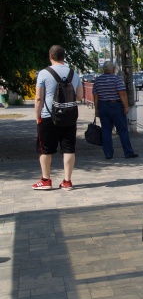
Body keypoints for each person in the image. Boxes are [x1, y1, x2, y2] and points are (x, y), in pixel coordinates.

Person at [33, 45, 83, 190]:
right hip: (69, 115)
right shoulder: (73, 73)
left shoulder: (43, 73)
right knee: (68, 148)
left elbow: (38, 98)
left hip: (48, 116)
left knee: (46, 149)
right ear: (64, 57)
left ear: (50, 56)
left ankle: (46, 180)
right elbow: (79, 96)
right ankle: (67, 181)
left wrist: (37, 116)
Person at [92, 61, 138, 159]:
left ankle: (108, 154)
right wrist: (126, 106)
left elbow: (95, 96)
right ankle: (128, 152)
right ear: (113, 69)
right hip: (116, 106)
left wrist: (96, 109)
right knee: (122, 130)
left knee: (106, 130)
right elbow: (122, 94)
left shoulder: (98, 80)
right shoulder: (116, 79)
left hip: (103, 106)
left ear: (104, 69)